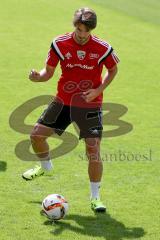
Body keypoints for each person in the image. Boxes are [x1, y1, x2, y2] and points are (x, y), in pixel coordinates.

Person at [22, 7, 119, 212]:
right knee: (36, 136)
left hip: (89, 103)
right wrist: (37, 77)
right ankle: (46, 168)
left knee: (93, 149)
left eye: (86, 31)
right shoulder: (59, 43)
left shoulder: (103, 48)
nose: (82, 35)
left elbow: (112, 69)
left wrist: (98, 90)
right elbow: (48, 72)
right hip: (63, 101)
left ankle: (95, 198)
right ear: (74, 26)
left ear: (92, 30)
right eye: (79, 29)